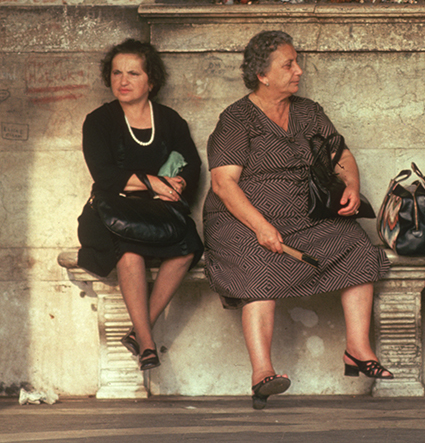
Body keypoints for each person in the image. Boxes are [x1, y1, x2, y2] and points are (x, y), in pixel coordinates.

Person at [203, 30, 392, 410]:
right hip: (240, 219)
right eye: (288, 64)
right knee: (258, 264)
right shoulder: (237, 119)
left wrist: (351, 184)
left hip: (301, 216)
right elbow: (224, 184)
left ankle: (357, 349)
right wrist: (261, 226)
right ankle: (262, 374)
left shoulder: (307, 112)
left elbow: (340, 153)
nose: (299, 70)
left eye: (296, 62)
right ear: (262, 75)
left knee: (355, 244)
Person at [77, 39, 203, 372]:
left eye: (133, 73)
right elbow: (104, 175)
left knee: (188, 246)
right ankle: (147, 344)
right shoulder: (98, 121)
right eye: (117, 72)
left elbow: (191, 163)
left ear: (152, 81)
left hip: (157, 211)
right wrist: (151, 181)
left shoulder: (170, 119)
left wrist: (179, 184)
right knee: (129, 253)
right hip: (110, 211)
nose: (123, 80)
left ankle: (137, 331)